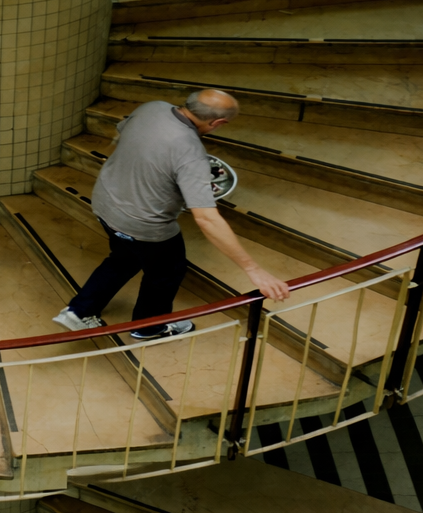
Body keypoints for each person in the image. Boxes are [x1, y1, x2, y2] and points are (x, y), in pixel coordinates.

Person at [53, 89, 291, 340]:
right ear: (218, 123)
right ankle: (149, 327)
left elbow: (128, 136)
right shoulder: (190, 152)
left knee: (123, 257)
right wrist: (254, 270)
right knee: (166, 272)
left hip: (106, 204)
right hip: (146, 226)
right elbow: (207, 218)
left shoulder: (152, 106)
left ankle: (79, 312)